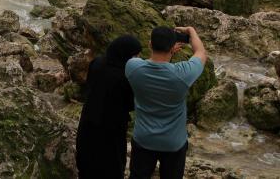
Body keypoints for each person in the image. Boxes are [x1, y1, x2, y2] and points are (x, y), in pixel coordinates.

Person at [126, 26, 208, 179]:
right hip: (173, 143)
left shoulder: (133, 68)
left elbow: (142, 62)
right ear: (172, 47)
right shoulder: (183, 74)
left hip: (143, 139)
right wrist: (192, 31)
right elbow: (201, 53)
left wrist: (167, 53)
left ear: (150, 44)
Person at [76, 34, 143, 178]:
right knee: (112, 167)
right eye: (135, 55)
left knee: (87, 166)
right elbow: (131, 104)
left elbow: (89, 86)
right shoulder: (125, 75)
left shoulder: (97, 62)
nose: (137, 59)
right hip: (112, 129)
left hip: (88, 124)